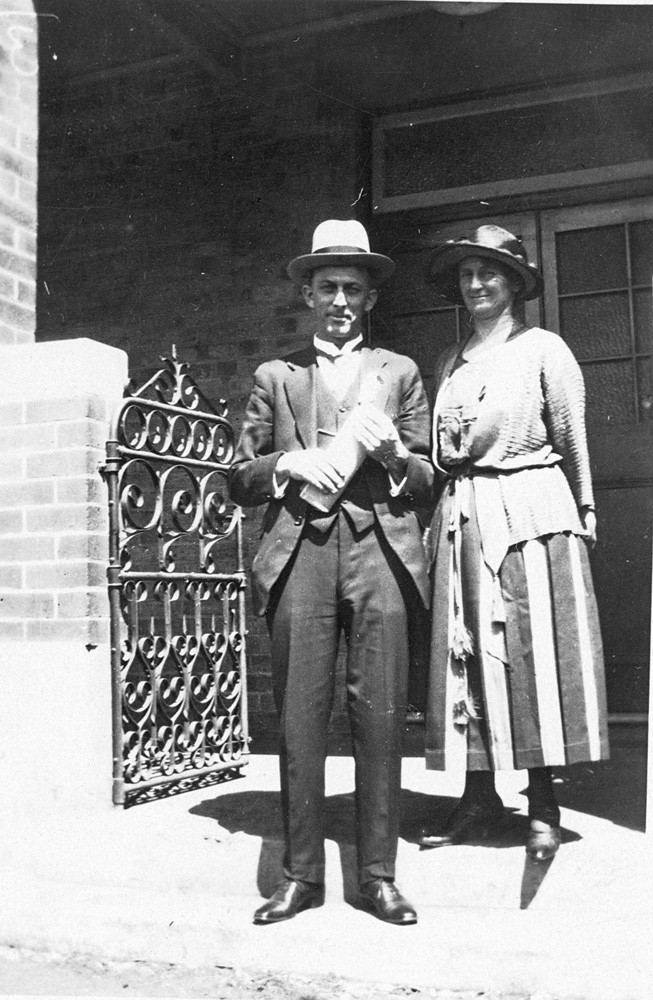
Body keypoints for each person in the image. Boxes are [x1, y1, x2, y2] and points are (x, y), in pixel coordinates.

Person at [229, 219, 434, 924]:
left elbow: (428, 477)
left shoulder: (399, 372)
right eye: (327, 287)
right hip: (301, 553)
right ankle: (301, 874)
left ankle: (376, 874)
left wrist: (392, 459)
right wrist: (286, 462)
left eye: (352, 287)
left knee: (378, 714)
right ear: (308, 296)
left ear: (369, 297)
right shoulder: (276, 377)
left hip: (379, 549)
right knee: (300, 715)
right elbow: (239, 475)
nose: (339, 299)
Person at [419, 225, 609, 862]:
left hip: (529, 508)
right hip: (463, 515)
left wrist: (583, 506)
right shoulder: (450, 362)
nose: (475, 285)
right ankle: (477, 795)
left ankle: (544, 804)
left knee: (529, 651)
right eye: (467, 275)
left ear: (515, 284)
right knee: (464, 650)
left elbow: (571, 434)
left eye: (489, 274)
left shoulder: (543, 350)